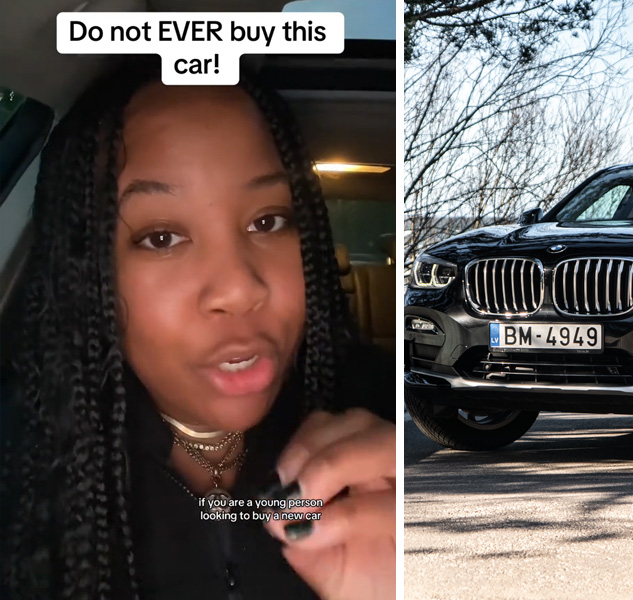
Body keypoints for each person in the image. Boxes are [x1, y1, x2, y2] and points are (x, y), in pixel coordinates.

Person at [0, 59, 397, 599]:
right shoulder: (20, 466)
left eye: (268, 221)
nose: (239, 289)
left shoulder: (392, 425)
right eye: (161, 237)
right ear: (87, 271)